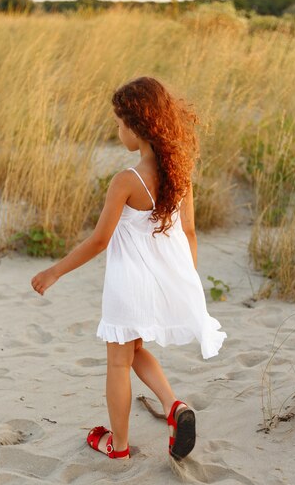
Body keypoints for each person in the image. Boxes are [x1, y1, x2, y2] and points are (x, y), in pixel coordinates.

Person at [31, 76, 226, 462]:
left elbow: (100, 240)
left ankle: (117, 446)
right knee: (134, 350)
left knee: (118, 361)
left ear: (137, 127)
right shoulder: (180, 176)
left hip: (128, 285)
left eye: (120, 123)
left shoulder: (126, 181)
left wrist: (55, 271)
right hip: (160, 283)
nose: (118, 130)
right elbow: (189, 233)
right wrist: (185, 283)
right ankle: (174, 406)